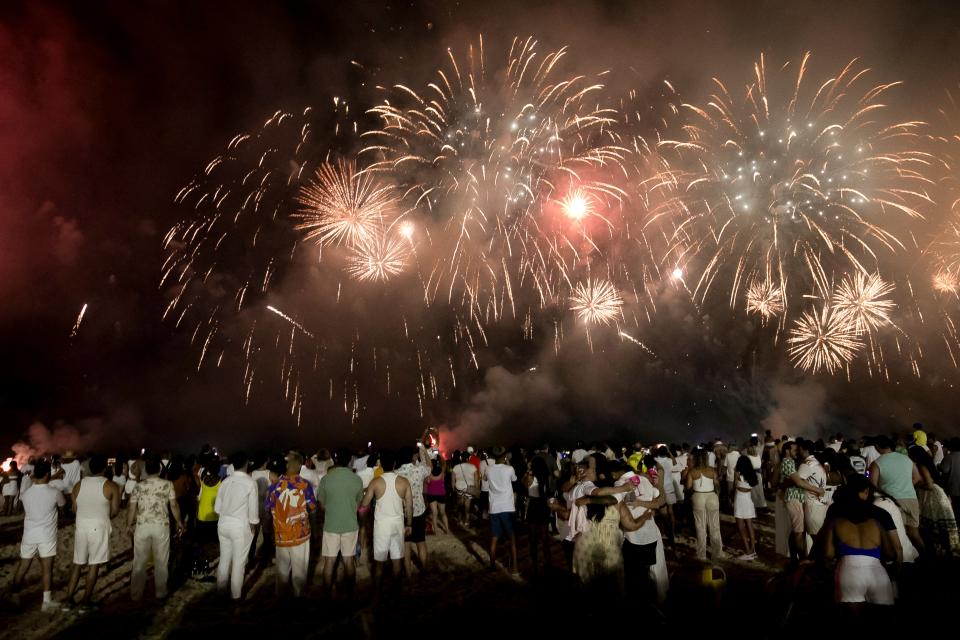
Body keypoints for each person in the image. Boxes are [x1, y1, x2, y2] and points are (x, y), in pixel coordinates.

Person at [822, 475, 896, 610]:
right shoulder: (876, 522)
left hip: (848, 572)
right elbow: (891, 553)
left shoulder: (836, 521)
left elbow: (828, 554)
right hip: (878, 573)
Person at [65, 454, 120, 612]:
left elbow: (75, 509)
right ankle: (85, 601)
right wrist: (102, 515)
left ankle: (68, 599)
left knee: (77, 564)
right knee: (94, 564)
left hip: (81, 526)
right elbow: (115, 510)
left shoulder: (78, 485)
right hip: (98, 526)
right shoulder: (110, 485)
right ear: (104, 468)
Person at [128, 456, 184, 600]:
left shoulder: (138, 486)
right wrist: (179, 521)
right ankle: (160, 592)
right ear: (159, 469)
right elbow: (173, 505)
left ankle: (136, 594)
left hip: (142, 526)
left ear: (146, 469)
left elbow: (132, 508)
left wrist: (129, 524)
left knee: (139, 562)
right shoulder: (168, 484)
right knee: (161, 561)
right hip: (161, 526)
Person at [12, 460, 66, 611]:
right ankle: (46, 602)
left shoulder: (25, 494)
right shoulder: (55, 492)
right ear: (48, 474)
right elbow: (63, 507)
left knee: (23, 566)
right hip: (46, 535)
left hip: (29, 534)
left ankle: (15, 595)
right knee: (47, 568)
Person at [265, 451, 317, 597]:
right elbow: (312, 508)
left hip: (281, 536)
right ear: (300, 466)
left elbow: (267, 509)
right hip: (300, 536)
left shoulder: (274, 486)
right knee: (299, 573)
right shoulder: (304, 485)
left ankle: (280, 601)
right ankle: (297, 602)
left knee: (282, 572)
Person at [360, 450, 413, 594]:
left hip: (381, 526)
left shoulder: (375, 482)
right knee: (397, 561)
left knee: (379, 563)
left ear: (381, 464)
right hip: (398, 524)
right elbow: (409, 506)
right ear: (395, 463)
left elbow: (364, 504)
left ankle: (377, 593)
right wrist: (409, 524)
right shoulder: (404, 482)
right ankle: (396, 592)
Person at [213, 451, 259, 600]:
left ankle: (221, 591)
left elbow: (217, 509)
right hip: (240, 526)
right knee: (239, 563)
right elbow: (253, 510)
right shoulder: (250, 482)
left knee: (224, 559)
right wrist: (254, 524)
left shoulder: (225, 482)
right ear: (246, 464)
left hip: (223, 524)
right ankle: (236, 596)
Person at [317, 447, 363, 596]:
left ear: (335, 460)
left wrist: (331, 511)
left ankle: (327, 595)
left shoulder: (326, 479)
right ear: (350, 460)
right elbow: (358, 504)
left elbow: (322, 504)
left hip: (331, 525)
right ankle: (350, 595)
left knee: (329, 562)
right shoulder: (356, 479)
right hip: (350, 524)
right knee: (349, 561)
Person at [870, 435, 924, 553]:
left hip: (893, 502)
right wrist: (906, 487)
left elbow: (872, 485)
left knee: (900, 535)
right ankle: (926, 555)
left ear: (877, 447)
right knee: (914, 533)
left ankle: (904, 562)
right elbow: (917, 477)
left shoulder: (876, 463)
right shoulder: (906, 459)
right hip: (911, 499)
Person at [908, 446, 960, 556]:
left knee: (935, 521)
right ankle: (946, 549)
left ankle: (940, 550)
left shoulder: (921, 466)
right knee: (940, 524)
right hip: (934, 495)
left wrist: (916, 485)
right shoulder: (927, 464)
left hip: (932, 496)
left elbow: (930, 485)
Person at [396, 436, 431, 572]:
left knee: (406, 544)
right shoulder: (418, 470)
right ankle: (424, 569)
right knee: (421, 542)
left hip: (403, 512)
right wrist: (424, 451)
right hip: (419, 510)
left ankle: (409, 575)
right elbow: (429, 466)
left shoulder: (396, 473)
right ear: (411, 457)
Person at [684, 447, 724, 561]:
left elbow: (688, 487)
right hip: (712, 496)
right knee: (715, 526)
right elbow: (717, 485)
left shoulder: (692, 471)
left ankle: (702, 554)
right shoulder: (712, 470)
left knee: (700, 526)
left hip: (698, 497)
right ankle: (717, 552)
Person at [484, 446, 519, 576]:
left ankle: (492, 566)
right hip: (507, 507)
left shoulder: (488, 469)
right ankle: (514, 568)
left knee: (494, 538)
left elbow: (485, 480)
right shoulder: (509, 469)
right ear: (504, 456)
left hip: (494, 507)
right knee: (512, 538)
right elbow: (514, 479)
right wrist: (508, 463)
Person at [794, 439, 828, 543]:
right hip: (819, 502)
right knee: (818, 536)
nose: (797, 452)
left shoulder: (807, 464)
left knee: (816, 537)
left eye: (799, 449)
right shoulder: (815, 462)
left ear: (806, 450)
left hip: (812, 504)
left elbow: (797, 481)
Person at [778, 440, 807, 561]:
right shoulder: (788, 462)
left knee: (796, 531)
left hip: (794, 497)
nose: (797, 452)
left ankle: (794, 560)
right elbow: (798, 482)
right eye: (794, 450)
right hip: (794, 498)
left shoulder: (790, 462)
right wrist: (817, 489)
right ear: (787, 451)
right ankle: (802, 561)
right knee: (799, 533)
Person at [524, 455, 552, 575]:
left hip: (534, 505)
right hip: (544, 505)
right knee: (544, 538)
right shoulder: (546, 477)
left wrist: (527, 471)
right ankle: (547, 564)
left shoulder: (530, 477)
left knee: (533, 539)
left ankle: (535, 565)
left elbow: (523, 484)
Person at [733, 455, 758, 560]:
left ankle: (747, 551)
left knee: (741, 527)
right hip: (748, 500)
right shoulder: (753, 475)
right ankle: (753, 549)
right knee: (749, 525)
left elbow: (735, 485)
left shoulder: (737, 473)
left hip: (739, 500)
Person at [424, 457, 450, 535]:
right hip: (441, 494)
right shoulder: (442, 473)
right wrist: (439, 454)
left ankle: (435, 531)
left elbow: (427, 482)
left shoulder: (428, 474)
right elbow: (444, 464)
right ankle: (447, 530)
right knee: (443, 513)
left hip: (431, 494)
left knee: (434, 513)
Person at [452, 452, 479, 525]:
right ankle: (466, 521)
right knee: (467, 506)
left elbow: (453, 480)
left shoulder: (456, 467)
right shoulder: (473, 467)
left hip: (459, 488)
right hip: (469, 489)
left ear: (461, 458)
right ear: (468, 458)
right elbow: (476, 480)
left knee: (460, 505)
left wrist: (453, 489)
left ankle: (459, 520)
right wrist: (476, 489)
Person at [941, 437, 960, 522]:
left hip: (954, 487)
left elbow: (944, 469)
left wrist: (938, 466)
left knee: (956, 508)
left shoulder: (949, 457)